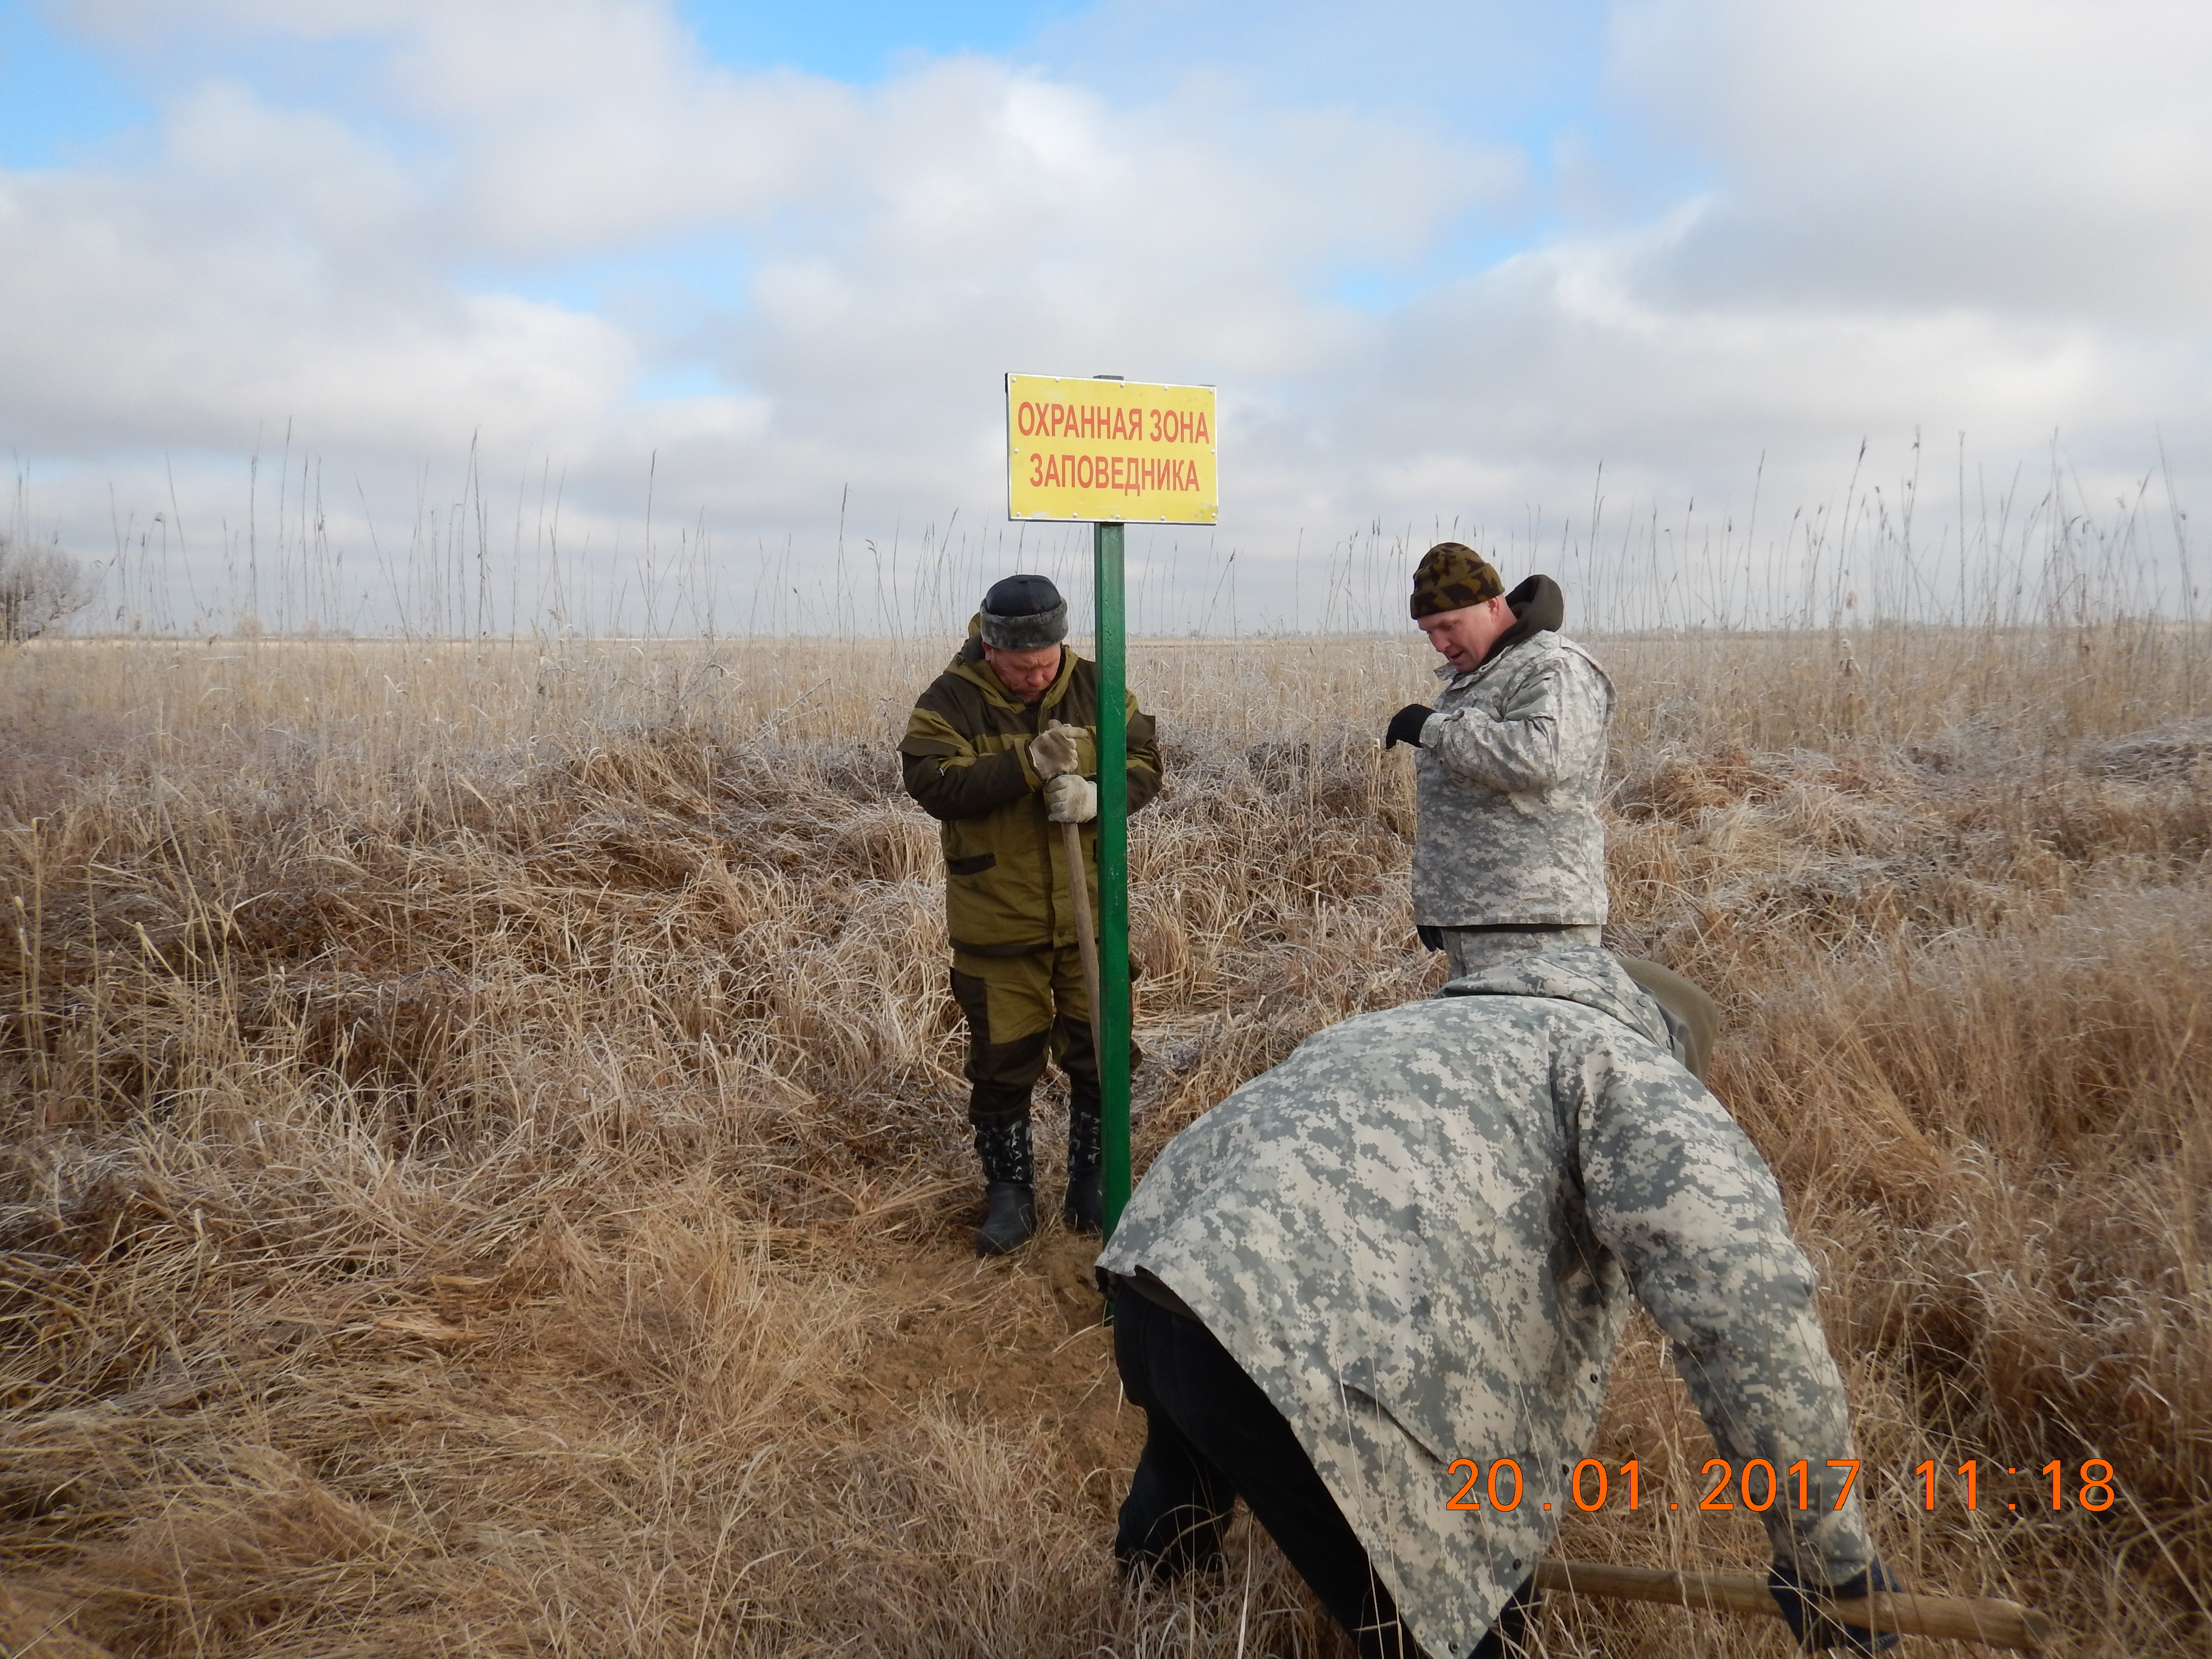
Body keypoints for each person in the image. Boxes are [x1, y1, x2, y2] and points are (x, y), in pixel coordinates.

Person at [1098, 941, 1898, 1659]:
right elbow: (1744, 1315)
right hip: (1286, 1342)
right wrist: (1826, 1556)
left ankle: (1135, 1617)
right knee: (1467, 1627)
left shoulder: (1418, 1024)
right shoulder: (1624, 1065)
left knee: (1186, 1467)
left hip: (1154, 1275)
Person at [901, 574, 1163, 1255]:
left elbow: (1146, 762)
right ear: (990, 649)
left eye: (1046, 664)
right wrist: (1026, 762)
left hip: (1090, 920)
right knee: (1003, 1062)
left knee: (1100, 1051)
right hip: (999, 921)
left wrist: (1098, 795)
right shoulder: (949, 700)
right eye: (1022, 669)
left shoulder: (1098, 687)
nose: (1036, 678)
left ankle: (1094, 1180)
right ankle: (1010, 1193)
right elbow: (932, 783)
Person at [1383, 543, 1615, 983]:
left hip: (1537, 923)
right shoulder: (1477, 676)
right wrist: (1443, 900)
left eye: (1448, 626)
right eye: (1428, 632)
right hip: (1478, 919)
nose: (1439, 644)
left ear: (1492, 605)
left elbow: (1541, 757)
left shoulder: (1554, 666)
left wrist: (1433, 729)